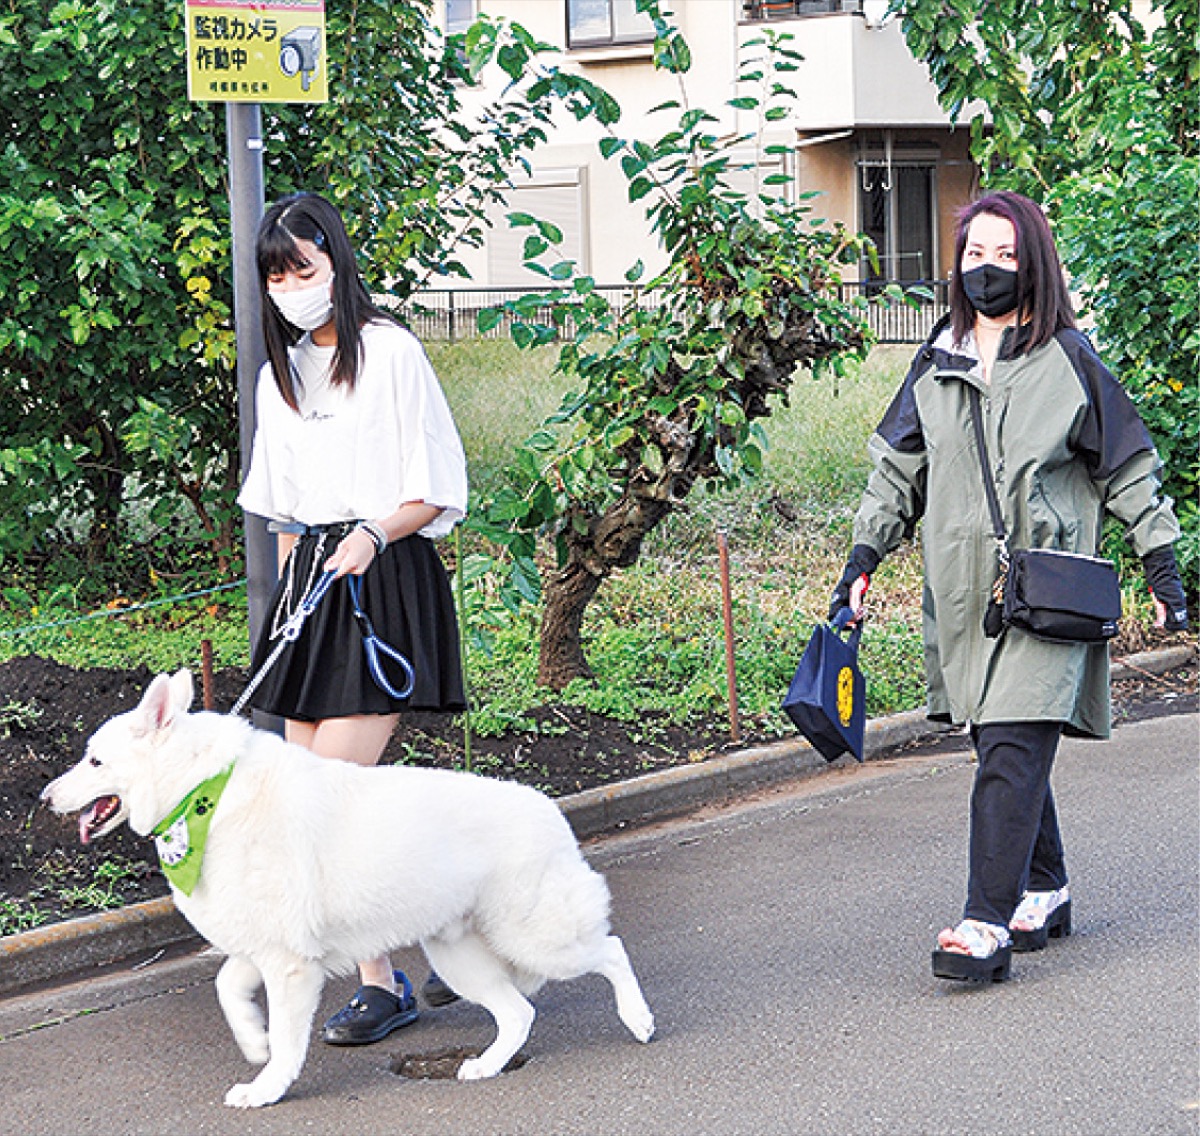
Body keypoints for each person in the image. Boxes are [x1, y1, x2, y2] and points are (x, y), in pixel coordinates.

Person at [828, 190, 1189, 982]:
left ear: (1033, 265)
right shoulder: (938, 357)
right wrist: (861, 560)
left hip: (1048, 590)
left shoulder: (1069, 358)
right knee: (1002, 743)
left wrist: (1161, 564)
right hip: (964, 597)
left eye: (1004, 254)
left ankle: (984, 922)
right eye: (974, 254)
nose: (986, 268)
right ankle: (1047, 886)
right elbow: (898, 473)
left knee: (1013, 748)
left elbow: (1127, 469)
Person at [237, 192, 469, 1041]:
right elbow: (288, 510)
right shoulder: (279, 377)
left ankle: (446, 941)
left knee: (331, 802)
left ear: (334, 261)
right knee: (313, 807)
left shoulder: (392, 353)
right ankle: (395, 973)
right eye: (276, 273)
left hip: (385, 574)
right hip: (313, 588)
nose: (290, 284)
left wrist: (372, 533)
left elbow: (434, 486)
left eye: (302, 265)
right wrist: (303, 576)